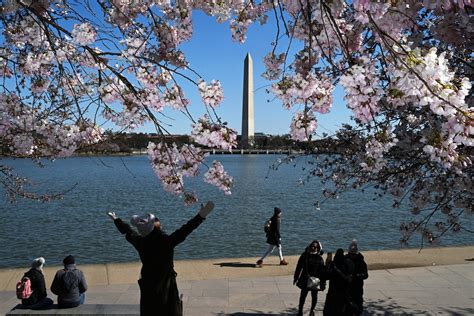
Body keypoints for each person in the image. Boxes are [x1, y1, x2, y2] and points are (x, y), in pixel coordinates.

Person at [106, 201, 215, 316]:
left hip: (148, 283)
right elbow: (185, 230)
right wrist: (201, 216)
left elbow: (128, 231)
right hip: (166, 285)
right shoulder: (166, 242)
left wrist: (116, 219)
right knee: (170, 309)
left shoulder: (141, 242)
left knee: (150, 309)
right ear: (155, 228)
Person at [293, 240, 326, 316]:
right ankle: (300, 311)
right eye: (312, 246)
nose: (313, 248)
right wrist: (296, 277)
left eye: (315, 247)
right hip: (305, 279)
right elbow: (299, 267)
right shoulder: (305, 255)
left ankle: (312, 311)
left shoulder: (319, 259)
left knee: (314, 296)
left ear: (318, 248)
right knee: (303, 296)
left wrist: (323, 283)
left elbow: (322, 272)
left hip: (315, 280)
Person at [323, 248, 356, 316]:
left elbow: (326, 276)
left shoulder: (333, 265)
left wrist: (327, 265)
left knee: (329, 310)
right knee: (341, 310)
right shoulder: (347, 264)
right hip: (343, 292)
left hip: (333, 291)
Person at [345, 239, 369, 315]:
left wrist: (356, 276)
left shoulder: (361, 262)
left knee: (358, 305)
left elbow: (365, 275)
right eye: (350, 254)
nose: (351, 256)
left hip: (357, 287)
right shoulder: (345, 259)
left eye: (353, 254)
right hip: (348, 287)